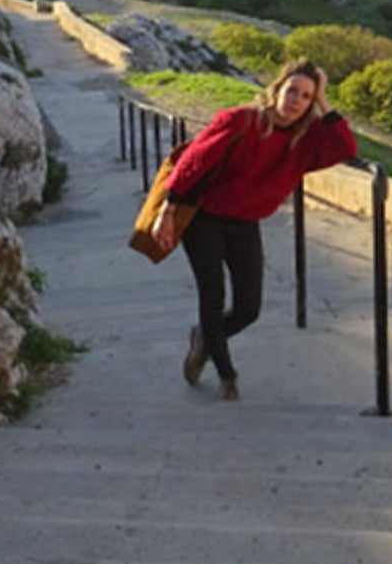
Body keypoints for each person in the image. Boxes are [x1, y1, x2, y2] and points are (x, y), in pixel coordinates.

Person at [149, 59, 356, 400]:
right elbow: (192, 163)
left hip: (245, 224)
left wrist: (325, 101)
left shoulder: (306, 141)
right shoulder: (240, 120)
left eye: (306, 96)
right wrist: (167, 213)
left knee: (249, 308)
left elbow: (346, 148)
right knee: (212, 297)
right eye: (292, 91)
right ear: (277, 89)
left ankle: (204, 339)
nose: (296, 101)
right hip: (205, 220)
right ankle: (227, 374)